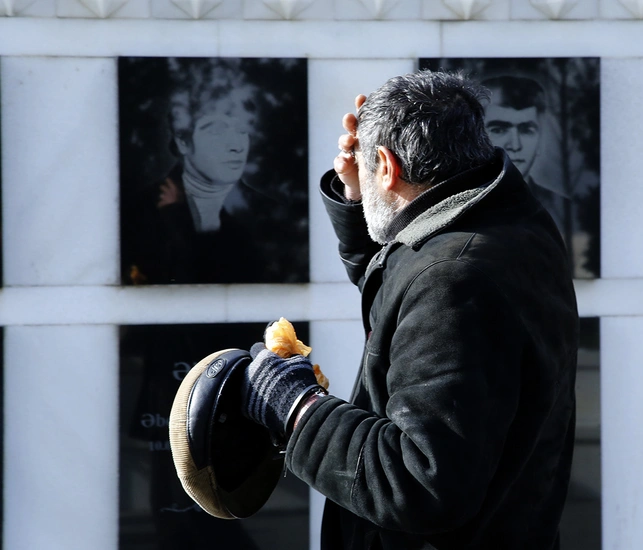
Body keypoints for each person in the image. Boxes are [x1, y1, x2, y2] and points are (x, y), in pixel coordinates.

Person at [239, 70, 579, 549]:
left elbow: (420, 484)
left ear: (386, 164)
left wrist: (297, 408)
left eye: (370, 166)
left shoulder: (453, 280)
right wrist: (359, 201)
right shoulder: (511, 225)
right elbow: (409, 295)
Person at [122, 59, 274, 285]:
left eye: (242, 130)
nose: (236, 145)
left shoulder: (270, 214)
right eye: (217, 130)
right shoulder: (138, 212)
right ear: (183, 140)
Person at [481, 75, 572, 242]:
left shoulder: (567, 211)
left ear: (540, 137)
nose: (515, 145)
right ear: (476, 136)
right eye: (499, 129)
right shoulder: (454, 209)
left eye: (526, 130)